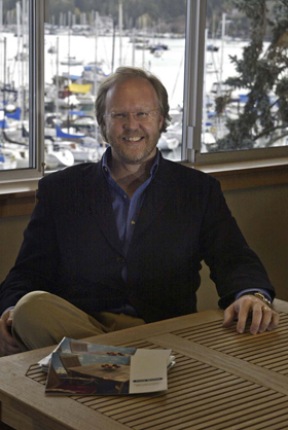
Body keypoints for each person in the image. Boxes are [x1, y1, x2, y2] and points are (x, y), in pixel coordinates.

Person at [0, 66, 279, 356]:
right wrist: (9, 311)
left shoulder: (198, 190)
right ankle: (131, 367)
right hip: (78, 325)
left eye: (143, 114)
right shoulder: (61, 190)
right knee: (30, 308)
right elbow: (27, 272)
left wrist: (252, 294)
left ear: (161, 120)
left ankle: (104, 367)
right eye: (119, 115)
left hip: (160, 331)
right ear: (102, 124)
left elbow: (234, 258)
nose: (132, 126)